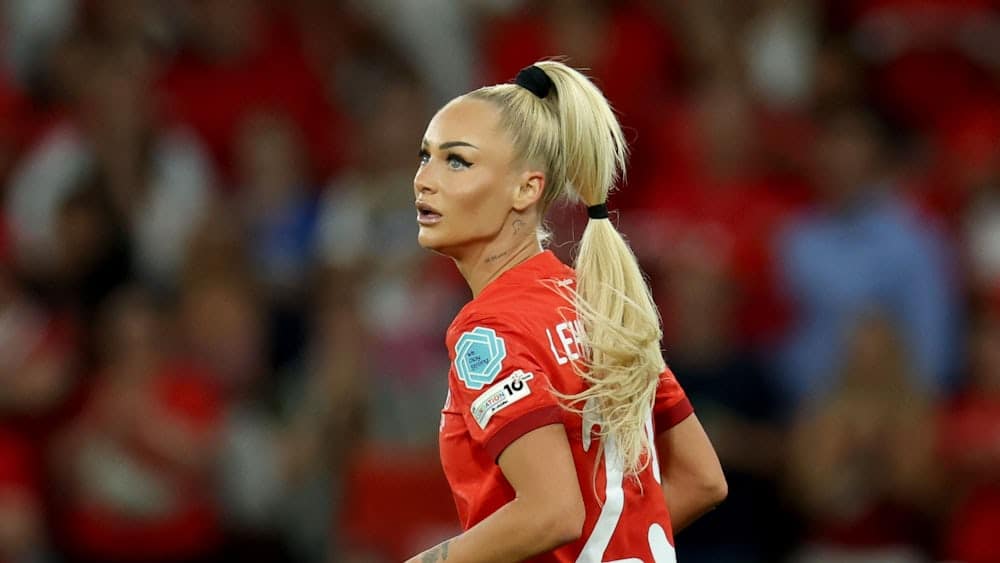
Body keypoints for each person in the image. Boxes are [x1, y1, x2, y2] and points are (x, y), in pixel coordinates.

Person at [405, 61, 727, 562]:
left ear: (526, 189)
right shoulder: (600, 302)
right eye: (425, 156)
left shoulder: (489, 329)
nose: (424, 180)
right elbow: (702, 478)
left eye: (457, 162)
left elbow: (552, 512)